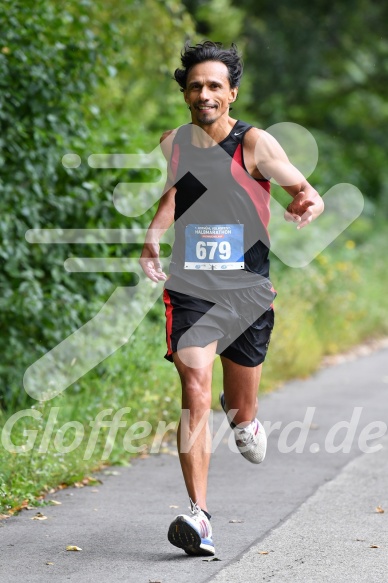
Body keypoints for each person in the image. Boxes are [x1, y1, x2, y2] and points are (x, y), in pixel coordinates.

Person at [140, 41, 324, 557]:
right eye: (195, 85)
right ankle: (199, 517)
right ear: (185, 93)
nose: (204, 93)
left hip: (246, 291)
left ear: (232, 92)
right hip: (192, 287)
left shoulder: (255, 144)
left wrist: (309, 202)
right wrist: (153, 234)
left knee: (241, 408)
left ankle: (242, 415)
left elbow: (304, 190)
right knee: (194, 382)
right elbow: (179, 190)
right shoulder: (173, 142)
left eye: (214, 85)